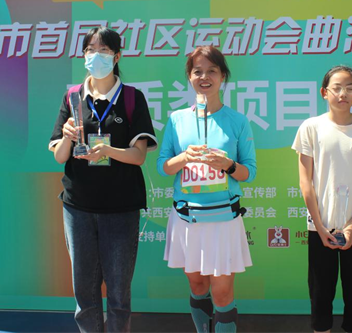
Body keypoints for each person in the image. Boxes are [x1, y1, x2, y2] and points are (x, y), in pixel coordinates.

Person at [49, 27, 157, 333]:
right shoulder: (73, 97)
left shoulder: (132, 98)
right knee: (84, 294)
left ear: (117, 56)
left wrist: (108, 150)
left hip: (121, 209)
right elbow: (59, 156)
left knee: (119, 295)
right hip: (78, 208)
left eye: (104, 50)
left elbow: (139, 156)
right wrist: (67, 136)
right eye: (90, 50)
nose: (96, 56)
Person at [157, 46, 257, 333]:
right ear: (189, 77)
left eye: (212, 71)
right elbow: (163, 166)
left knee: (222, 292)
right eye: (197, 71)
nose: (204, 77)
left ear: (223, 76)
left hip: (224, 219)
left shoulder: (237, 120)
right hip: (187, 218)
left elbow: (250, 172)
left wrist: (228, 165)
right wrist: (183, 158)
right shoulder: (177, 119)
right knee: (197, 284)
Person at [292, 65, 352, 333]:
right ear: (324, 92)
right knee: (320, 293)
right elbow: (305, 181)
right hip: (320, 226)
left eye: (350, 88)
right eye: (336, 88)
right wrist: (319, 225)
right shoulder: (311, 127)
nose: (343, 93)